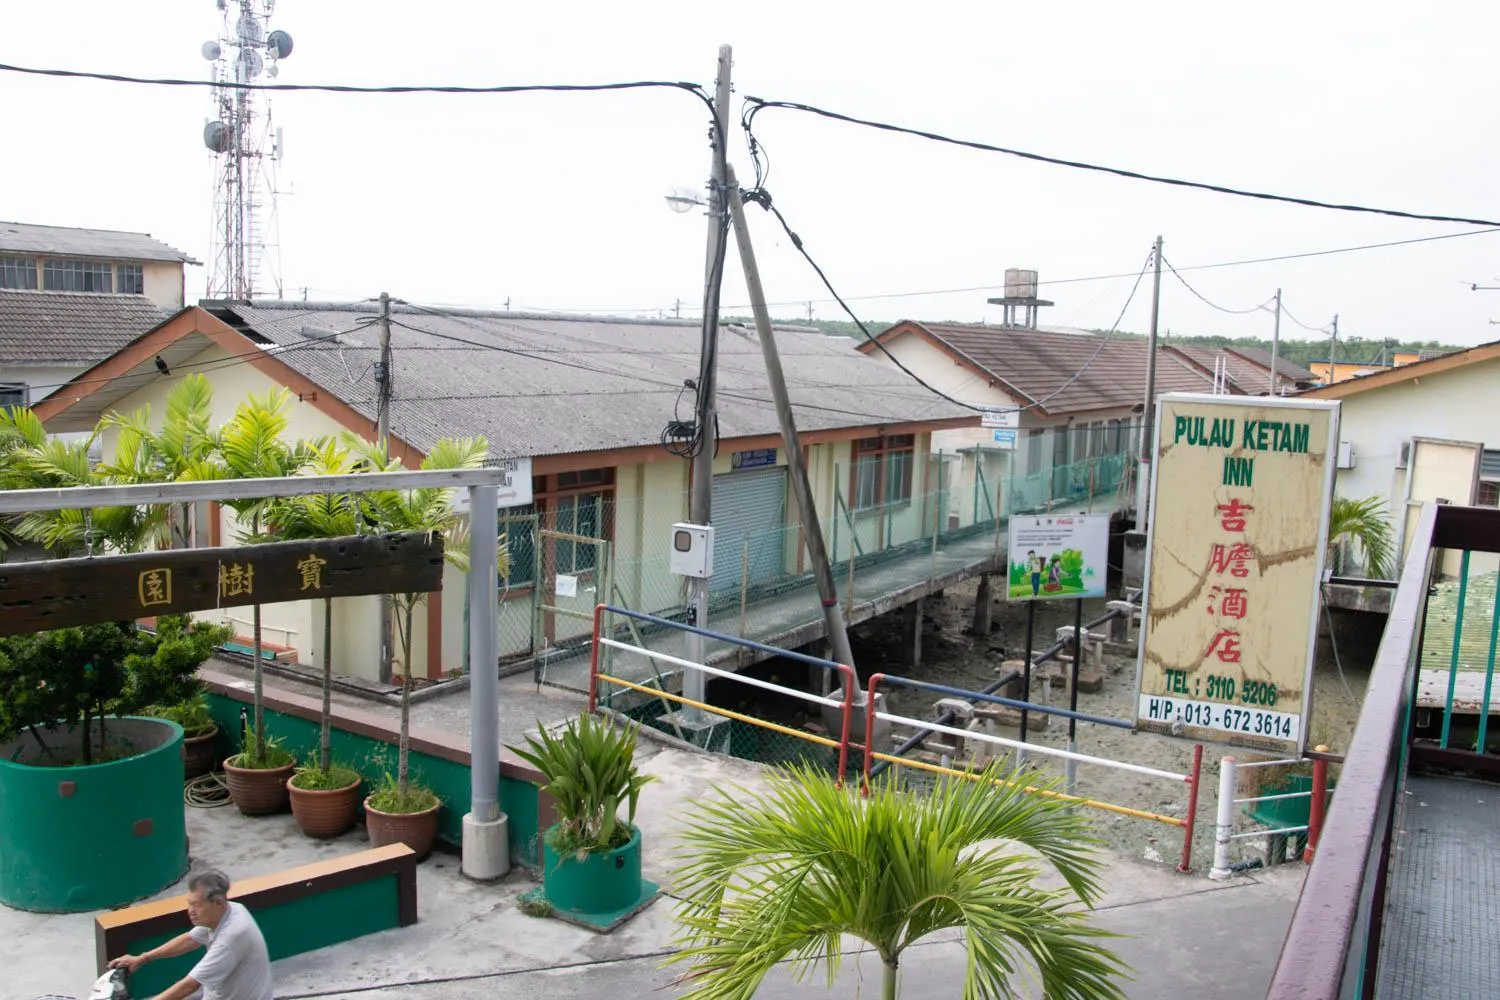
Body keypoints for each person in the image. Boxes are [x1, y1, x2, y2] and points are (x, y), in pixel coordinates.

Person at [108, 868, 272, 1000]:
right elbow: (189, 940)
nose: (190, 911)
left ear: (218, 902)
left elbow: (190, 985)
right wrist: (142, 958)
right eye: (189, 904)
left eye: (196, 905)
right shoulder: (229, 910)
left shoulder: (232, 937)